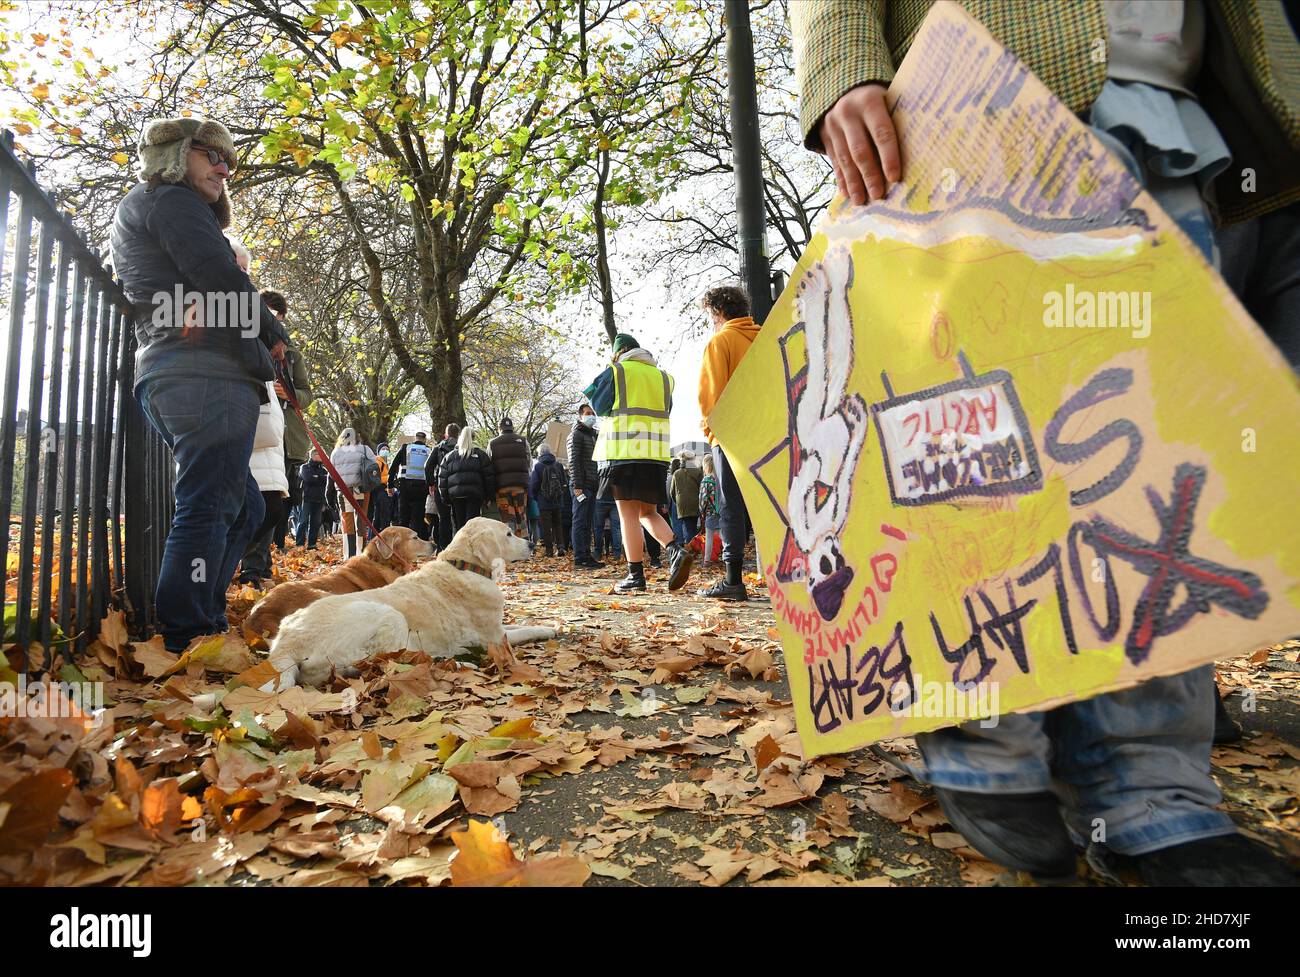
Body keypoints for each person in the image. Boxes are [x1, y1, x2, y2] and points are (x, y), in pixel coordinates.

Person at [790, 0, 1299, 886]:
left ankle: (1150, 783)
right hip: (971, 97)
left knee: (1150, 460)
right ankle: (983, 718)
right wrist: (838, 57)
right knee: (980, 440)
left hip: (1178, 115)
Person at [110, 116, 290, 652]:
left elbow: (207, 283)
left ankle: (204, 613)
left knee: (246, 507)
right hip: (199, 372)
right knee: (211, 502)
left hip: (194, 371)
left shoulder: (166, 206)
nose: (224, 167)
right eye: (211, 154)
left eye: (230, 160)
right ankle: (187, 631)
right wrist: (271, 328)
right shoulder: (170, 200)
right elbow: (217, 272)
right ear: (176, 152)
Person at [584, 333, 693, 593]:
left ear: (618, 353)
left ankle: (635, 575)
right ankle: (675, 550)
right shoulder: (664, 378)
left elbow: (597, 406)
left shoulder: (617, 371)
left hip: (624, 452)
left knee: (628, 515)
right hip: (655, 454)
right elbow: (666, 409)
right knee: (647, 512)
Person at [696, 284, 759, 601]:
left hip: (731, 436)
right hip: (768, 433)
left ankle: (733, 580)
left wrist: (711, 433)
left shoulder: (721, 342)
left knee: (730, 506)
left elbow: (711, 398)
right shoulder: (762, 338)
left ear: (717, 312)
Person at [260, 290, 313, 551]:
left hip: (286, 436)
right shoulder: (247, 342)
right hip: (257, 428)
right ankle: (257, 554)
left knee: (284, 496)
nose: (275, 323)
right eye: (270, 315)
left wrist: (291, 394)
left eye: (278, 318)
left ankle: (277, 548)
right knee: (261, 495)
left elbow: (307, 394)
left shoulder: (293, 356)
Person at [238, 375, 288, 586]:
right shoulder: (254, 357)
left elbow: (303, 396)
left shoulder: (286, 363)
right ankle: (243, 566)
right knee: (265, 510)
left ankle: (260, 569)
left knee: (270, 510)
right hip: (258, 443)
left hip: (272, 446)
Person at [437, 426, 495, 535]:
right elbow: (489, 477)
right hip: (475, 495)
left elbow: (442, 479)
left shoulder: (449, 457)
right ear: (473, 438)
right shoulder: (481, 455)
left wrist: (445, 498)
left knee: (460, 527)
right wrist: (489, 497)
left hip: (456, 496)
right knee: (473, 527)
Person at [329, 428, 376, 560]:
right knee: (360, 519)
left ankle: (348, 554)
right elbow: (374, 466)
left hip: (343, 490)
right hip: (360, 488)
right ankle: (360, 552)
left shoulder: (335, 452)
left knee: (347, 520)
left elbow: (331, 472)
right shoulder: (364, 449)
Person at [568, 403, 601, 568]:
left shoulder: (593, 435)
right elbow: (574, 461)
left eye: (592, 413)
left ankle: (587, 555)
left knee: (588, 523)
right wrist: (577, 485)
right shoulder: (576, 435)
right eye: (587, 413)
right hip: (581, 485)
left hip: (591, 484)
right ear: (580, 416)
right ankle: (579, 557)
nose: (591, 416)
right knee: (580, 521)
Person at [488, 417, 532, 538]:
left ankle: (511, 547)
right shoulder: (523, 441)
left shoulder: (492, 443)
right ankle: (524, 546)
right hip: (520, 486)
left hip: (502, 487)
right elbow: (529, 463)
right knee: (521, 517)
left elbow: (489, 465)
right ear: (512, 427)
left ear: (499, 428)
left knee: (507, 519)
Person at [391, 432, 434, 539]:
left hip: (405, 486)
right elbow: (431, 469)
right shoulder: (429, 450)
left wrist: (390, 484)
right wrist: (431, 485)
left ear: (415, 438)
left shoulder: (406, 448)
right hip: (421, 488)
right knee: (418, 518)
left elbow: (394, 466)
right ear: (425, 439)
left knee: (403, 517)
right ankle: (416, 543)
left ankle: (403, 542)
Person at [529, 444, 568, 558]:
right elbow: (563, 481)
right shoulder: (559, 465)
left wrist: (536, 498)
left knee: (546, 527)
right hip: (557, 500)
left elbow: (534, 485)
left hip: (543, 501)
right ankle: (560, 546)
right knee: (557, 524)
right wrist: (560, 495)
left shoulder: (538, 466)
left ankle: (549, 550)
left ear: (539, 453)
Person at [429, 423, 460, 549]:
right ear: (459, 434)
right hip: (458, 486)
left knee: (444, 519)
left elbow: (428, 466)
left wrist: (431, 483)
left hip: (441, 487)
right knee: (458, 518)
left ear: (446, 435)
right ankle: (458, 547)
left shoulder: (438, 448)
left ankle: (443, 548)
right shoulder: (462, 447)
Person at [296, 448, 329, 549]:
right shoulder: (304, 467)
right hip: (306, 499)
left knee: (315, 523)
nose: (322, 457)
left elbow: (326, 481)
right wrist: (320, 478)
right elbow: (308, 478)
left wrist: (317, 477)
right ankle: (300, 544)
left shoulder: (323, 470)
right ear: (313, 456)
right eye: (320, 455)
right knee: (303, 521)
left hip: (319, 500)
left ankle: (312, 544)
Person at [671, 449, 703, 547]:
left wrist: (678, 502)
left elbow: (672, 492)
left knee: (688, 526)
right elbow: (702, 489)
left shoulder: (676, 473)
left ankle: (690, 547)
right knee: (693, 526)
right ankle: (693, 547)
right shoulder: (698, 471)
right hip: (695, 502)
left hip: (682, 504)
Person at [698, 453, 722, 565]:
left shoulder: (706, 480)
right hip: (722, 511)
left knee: (709, 537)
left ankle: (707, 559)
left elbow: (703, 499)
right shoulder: (720, 478)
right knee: (722, 536)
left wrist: (701, 511)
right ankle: (725, 557)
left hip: (710, 512)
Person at [368, 441, 393, 536]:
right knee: (382, 514)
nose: (385, 451)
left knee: (378, 514)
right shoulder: (378, 461)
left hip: (381, 490)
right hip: (379, 489)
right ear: (378, 451)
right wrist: (388, 479)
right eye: (383, 449)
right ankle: (381, 535)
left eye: (387, 449)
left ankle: (374, 535)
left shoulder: (384, 463)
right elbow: (376, 477)